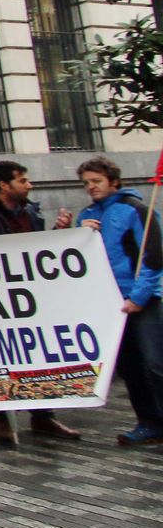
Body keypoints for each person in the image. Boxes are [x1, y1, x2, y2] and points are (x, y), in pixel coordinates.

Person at [0, 160, 80, 444]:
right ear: (4, 185)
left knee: (39, 353)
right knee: (1, 355)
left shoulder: (31, 212)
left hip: (30, 298)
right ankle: (2, 417)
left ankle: (43, 414)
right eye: (23, 181)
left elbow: (38, 252)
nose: (29, 185)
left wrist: (58, 233)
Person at [74, 156, 163, 446]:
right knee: (130, 366)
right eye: (87, 182)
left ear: (113, 181)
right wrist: (79, 232)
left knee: (155, 362)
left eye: (96, 181)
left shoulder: (135, 210)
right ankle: (148, 422)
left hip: (143, 300)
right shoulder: (87, 215)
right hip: (111, 303)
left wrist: (139, 296)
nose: (91, 187)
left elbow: (153, 255)